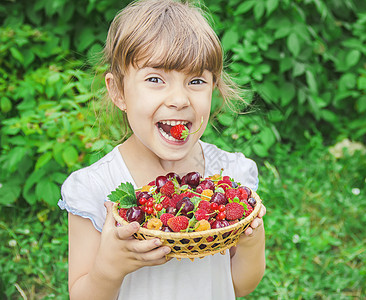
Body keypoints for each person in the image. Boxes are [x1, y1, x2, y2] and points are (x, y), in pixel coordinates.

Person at [58, 0, 266, 299]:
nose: (179, 99)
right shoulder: (96, 188)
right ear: (118, 91)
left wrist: (250, 241)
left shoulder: (230, 179)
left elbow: (240, 286)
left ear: (214, 88)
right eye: (155, 79)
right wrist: (108, 268)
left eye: (196, 80)